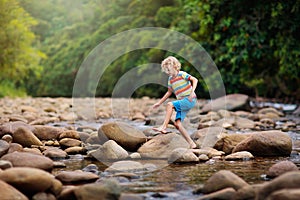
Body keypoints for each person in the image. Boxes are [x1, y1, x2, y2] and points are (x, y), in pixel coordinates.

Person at [152, 56, 198, 149]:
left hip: (189, 99)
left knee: (170, 105)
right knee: (177, 124)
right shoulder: (170, 79)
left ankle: (163, 127)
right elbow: (169, 92)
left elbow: (195, 79)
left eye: (169, 70)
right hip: (182, 102)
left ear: (175, 66)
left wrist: (192, 91)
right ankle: (192, 144)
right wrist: (159, 103)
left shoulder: (182, 74)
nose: (168, 72)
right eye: (166, 71)